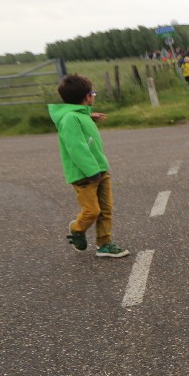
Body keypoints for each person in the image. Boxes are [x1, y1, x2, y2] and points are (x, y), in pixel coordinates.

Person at [49, 74, 129, 258]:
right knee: (92, 211)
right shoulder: (70, 119)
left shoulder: (79, 115)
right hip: (85, 175)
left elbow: (80, 123)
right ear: (87, 96)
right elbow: (77, 148)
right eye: (93, 93)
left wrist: (90, 116)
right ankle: (77, 229)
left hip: (101, 170)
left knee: (106, 210)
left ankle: (104, 244)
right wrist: (92, 172)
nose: (94, 95)